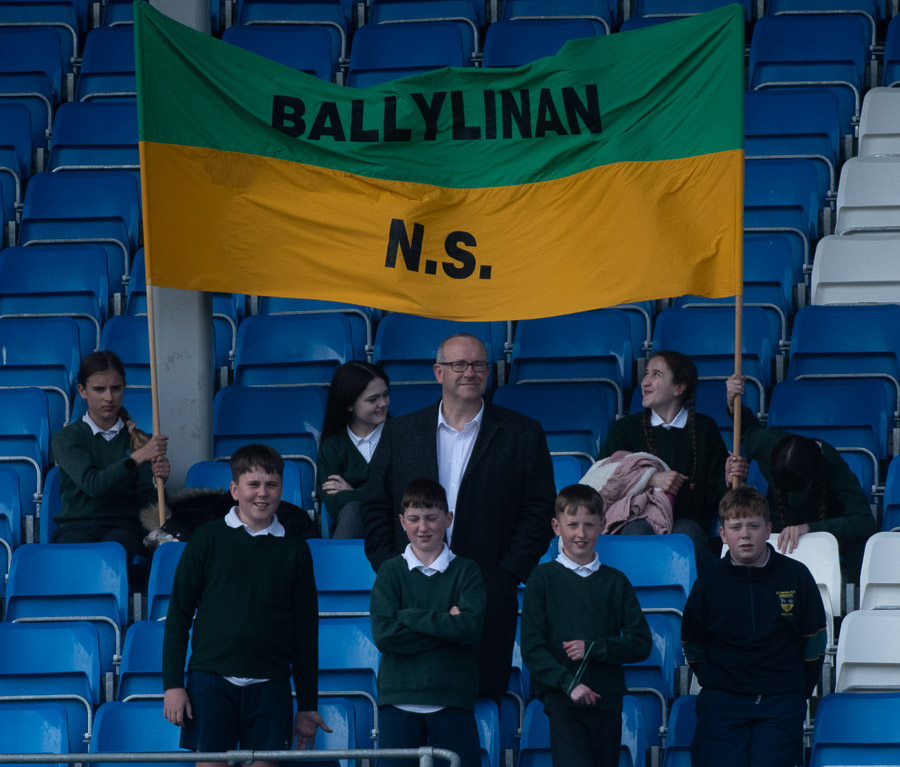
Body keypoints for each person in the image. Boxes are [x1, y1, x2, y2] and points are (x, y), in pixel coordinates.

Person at [362, 332, 556, 702]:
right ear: (438, 372)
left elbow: (539, 509)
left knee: (479, 706)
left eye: (479, 364)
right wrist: (391, 567)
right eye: (459, 364)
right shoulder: (400, 433)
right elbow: (374, 506)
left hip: (486, 595)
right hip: (410, 592)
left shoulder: (522, 433)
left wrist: (505, 575)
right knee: (410, 705)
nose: (470, 372)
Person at [162, 444, 330, 765]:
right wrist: (173, 685)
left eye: (271, 484)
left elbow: (306, 632)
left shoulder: (296, 549)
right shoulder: (206, 539)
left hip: (271, 685)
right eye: (253, 484)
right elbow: (179, 615)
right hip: (210, 681)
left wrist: (308, 704)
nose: (262, 493)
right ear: (234, 490)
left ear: (282, 489)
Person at [682, 486, 827, 767]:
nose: (745, 534)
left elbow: (814, 642)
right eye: (735, 527)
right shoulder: (708, 582)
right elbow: (692, 643)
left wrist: (793, 689)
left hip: (781, 703)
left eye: (753, 525)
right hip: (722, 703)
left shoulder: (796, 576)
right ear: (723, 534)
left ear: (768, 529)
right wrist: (720, 681)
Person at [521, 484, 652, 767]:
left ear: (602, 525)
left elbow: (641, 643)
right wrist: (569, 685)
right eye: (572, 525)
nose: (581, 533)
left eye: (589, 525)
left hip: (607, 700)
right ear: (556, 527)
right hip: (562, 700)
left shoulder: (616, 581)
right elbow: (532, 649)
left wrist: (593, 648)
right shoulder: (541, 579)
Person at [369, 477, 486, 767]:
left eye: (432, 518)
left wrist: (407, 616)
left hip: (452, 696)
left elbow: (469, 628)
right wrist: (447, 624)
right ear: (402, 521)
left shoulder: (467, 571)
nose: (423, 527)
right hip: (397, 699)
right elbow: (384, 636)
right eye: (414, 519)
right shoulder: (390, 572)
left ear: (448, 519)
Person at [725, 374, 876, 577]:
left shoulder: (833, 465)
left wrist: (810, 528)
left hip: (825, 535)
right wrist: (733, 400)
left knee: (860, 545)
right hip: (777, 530)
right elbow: (747, 426)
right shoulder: (766, 442)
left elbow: (864, 521)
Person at [596, 350, 730, 566]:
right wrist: (650, 479)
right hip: (636, 518)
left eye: (656, 374)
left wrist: (730, 480)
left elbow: (716, 494)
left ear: (679, 388)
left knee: (688, 538)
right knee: (637, 534)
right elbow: (602, 478)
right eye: (646, 374)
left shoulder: (705, 428)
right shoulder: (625, 429)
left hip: (687, 521)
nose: (645, 382)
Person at [51, 350, 169, 562]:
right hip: (75, 528)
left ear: (124, 388)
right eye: (99, 389)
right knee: (75, 557)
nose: (109, 397)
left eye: (116, 388)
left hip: (123, 528)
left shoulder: (140, 441)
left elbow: (146, 503)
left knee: (115, 551)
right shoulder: (66, 438)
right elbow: (93, 484)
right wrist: (137, 458)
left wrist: (157, 481)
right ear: (82, 390)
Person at [317, 361, 390, 539]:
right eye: (373, 399)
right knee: (352, 510)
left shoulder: (402, 435)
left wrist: (351, 492)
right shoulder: (332, 446)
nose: (383, 403)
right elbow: (333, 505)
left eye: (386, 394)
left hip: (398, 525)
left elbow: (403, 493)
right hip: (354, 527)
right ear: (349, 404)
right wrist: (378, 491)